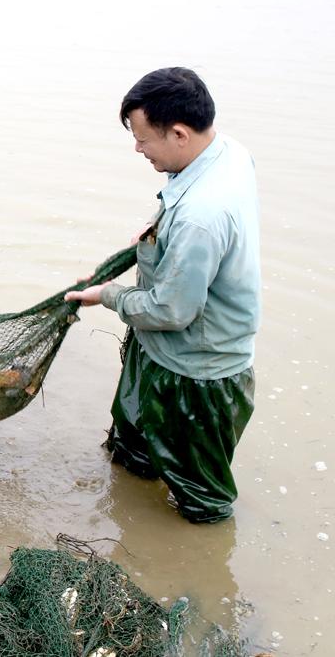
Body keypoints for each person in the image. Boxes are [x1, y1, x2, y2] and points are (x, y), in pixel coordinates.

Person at [65, 67, 260, 523]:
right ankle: (137, 535)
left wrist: (108, 295)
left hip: (196, 378)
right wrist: (148, 244)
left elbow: (172, 310)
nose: (137, 148)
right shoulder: (227, 152)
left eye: (143, 138)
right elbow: (180, 227)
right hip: (156, 354)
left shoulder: (201, 217)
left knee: (201, 503)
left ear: (178, 133)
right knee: (132, 458)